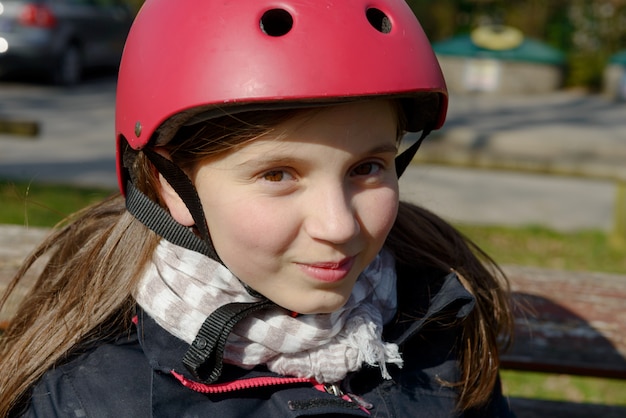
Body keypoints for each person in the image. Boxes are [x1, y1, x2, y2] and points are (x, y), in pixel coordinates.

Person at [0, 0, 515, 416]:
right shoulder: (93, 398)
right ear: (170, 186)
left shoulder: (439, 328)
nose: (337, 225)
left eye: (367, 168)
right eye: (278, 175)